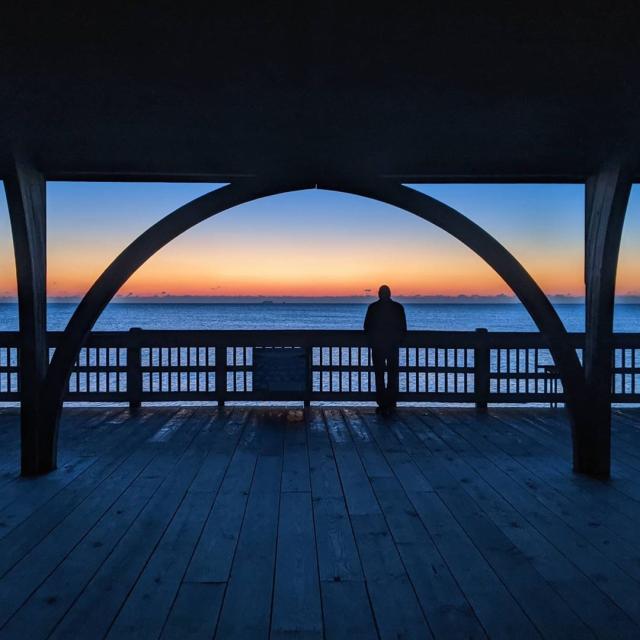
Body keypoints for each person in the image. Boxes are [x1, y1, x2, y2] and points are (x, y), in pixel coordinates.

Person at [364, 285, 407, 413]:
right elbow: (403, 328)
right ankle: (391, 401)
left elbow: (366, 327)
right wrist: (399, 340)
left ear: (379, 294)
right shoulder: (398, 307)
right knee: (392, 374)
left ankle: (382, 402)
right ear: (390, 293)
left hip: (378, 346)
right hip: (393, 346)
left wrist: (372, 340)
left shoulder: (373, 307)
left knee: (379, 374)